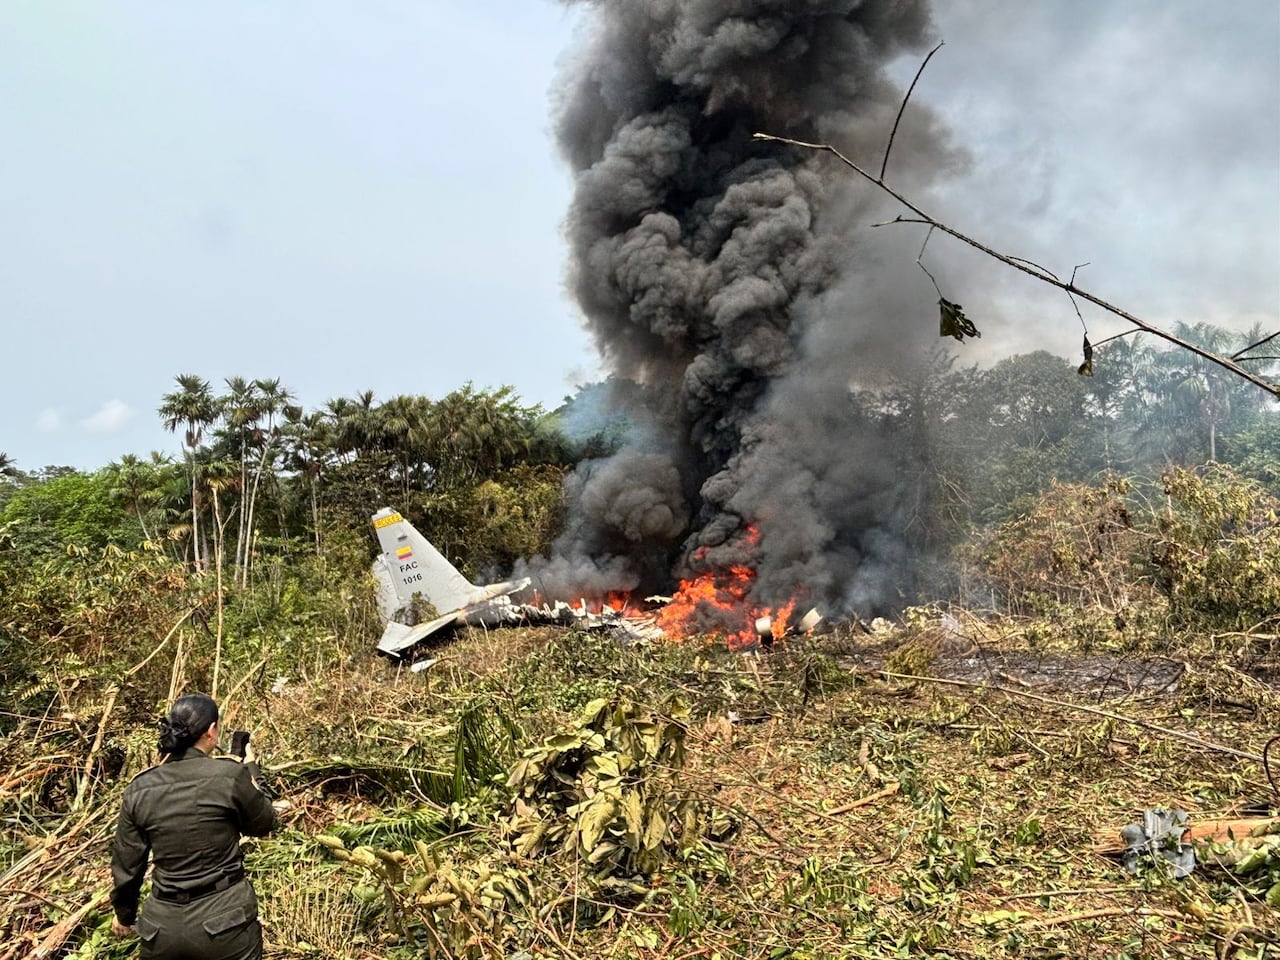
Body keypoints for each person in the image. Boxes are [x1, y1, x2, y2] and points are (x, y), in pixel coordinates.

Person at [110, 693, 275, 960]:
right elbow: (264, 822)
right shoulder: (229, 776)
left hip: (162, 929)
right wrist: (252, 770)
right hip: (226, 923)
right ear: (211, 731)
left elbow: (127, 864)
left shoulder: (139, 788)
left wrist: (124, 914)